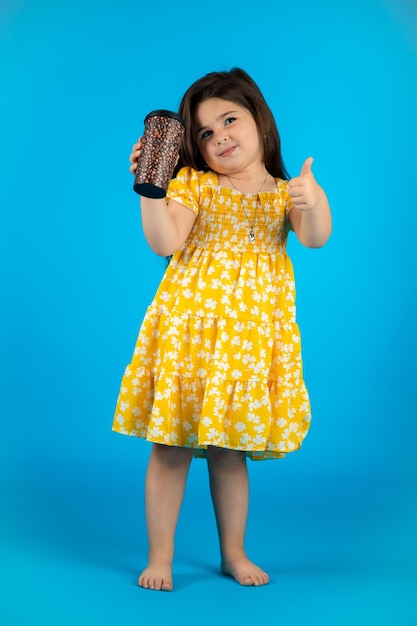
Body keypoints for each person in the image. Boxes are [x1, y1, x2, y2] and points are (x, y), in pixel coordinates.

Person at [113, 68, 332, 591]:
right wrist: (152, 188)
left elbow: (316, 237)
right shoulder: (194, 186)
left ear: (260, 119)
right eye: (205, 134)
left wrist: (314, 199)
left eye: (229, 120)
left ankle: (234, 552)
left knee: (229, 453)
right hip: (189, 335)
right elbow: (165, 242)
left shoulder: (285, 193)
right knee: (170, 448)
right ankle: (160, 556)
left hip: (247, 345)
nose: (219, 137)